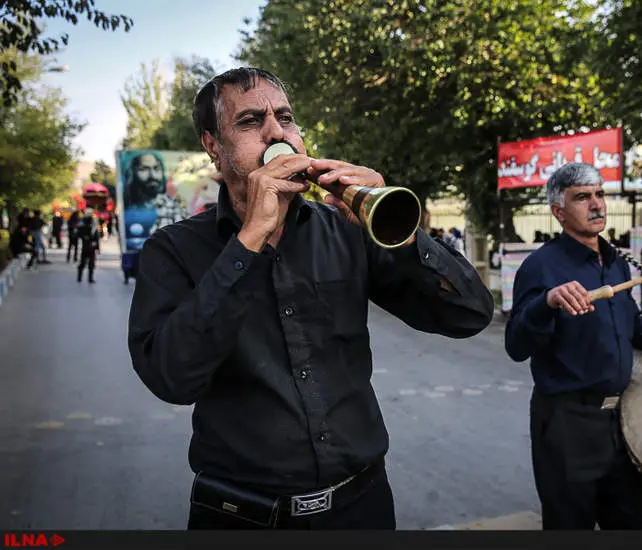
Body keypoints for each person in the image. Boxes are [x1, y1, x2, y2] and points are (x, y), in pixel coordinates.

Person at [127, 67, 494, 530]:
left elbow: (470, 314)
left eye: (285, 117)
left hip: (362, 507)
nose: (275, 131)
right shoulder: (173, 250)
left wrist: (401, 236)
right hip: (241, 515)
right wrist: (250, 240)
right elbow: (171, 378)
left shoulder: (345, 229)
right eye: (249, 121)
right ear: (213, 146)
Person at [505, 162, 642, 530]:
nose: (597, 204)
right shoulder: (541, 267)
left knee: (637, 524)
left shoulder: (616, 262)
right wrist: (547, 302)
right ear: (559, 212)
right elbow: (516, 345)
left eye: (600, 194)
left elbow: (634, 326)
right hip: (567, 424)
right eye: (582, 197)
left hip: (621, 423)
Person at [76, 210, 100, 283]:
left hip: (90, 246)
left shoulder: (93, 222)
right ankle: (81, 278)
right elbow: (79, 233)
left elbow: (96, 235)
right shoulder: (83, 222)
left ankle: (89, 278)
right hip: (86, 245)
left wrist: (97, 246)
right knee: (84, 262)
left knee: (90, 263)